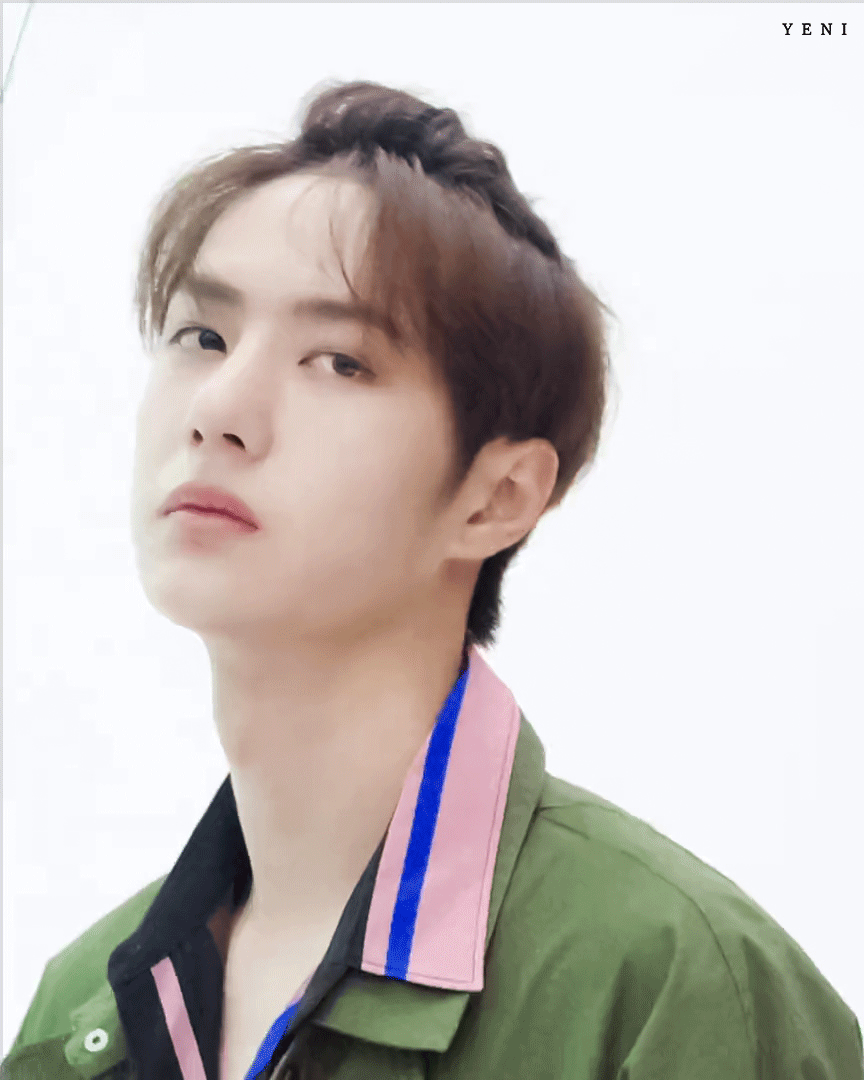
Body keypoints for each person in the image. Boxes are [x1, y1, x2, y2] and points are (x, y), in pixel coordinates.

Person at [3, 79, 861, 1080]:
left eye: (339, 361)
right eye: (204, 337)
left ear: (497, 497)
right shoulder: (77, 1017)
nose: (220, 410)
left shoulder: (669, 984)